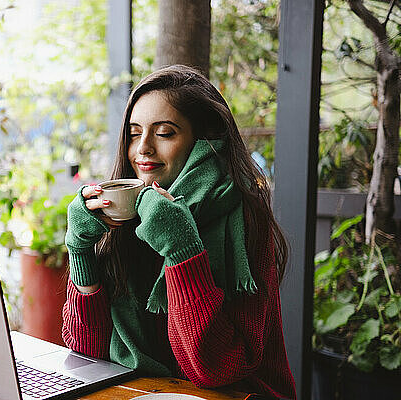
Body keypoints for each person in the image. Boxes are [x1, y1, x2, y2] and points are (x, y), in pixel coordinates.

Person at [62, 65, 296, 399]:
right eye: (133, 133)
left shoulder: (243, 214)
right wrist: (81, 250)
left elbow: (217, 369)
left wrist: (182, 249)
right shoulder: (123, 215)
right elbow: (86, 351)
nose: (142, 148)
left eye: (165, 133)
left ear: (204, 142)